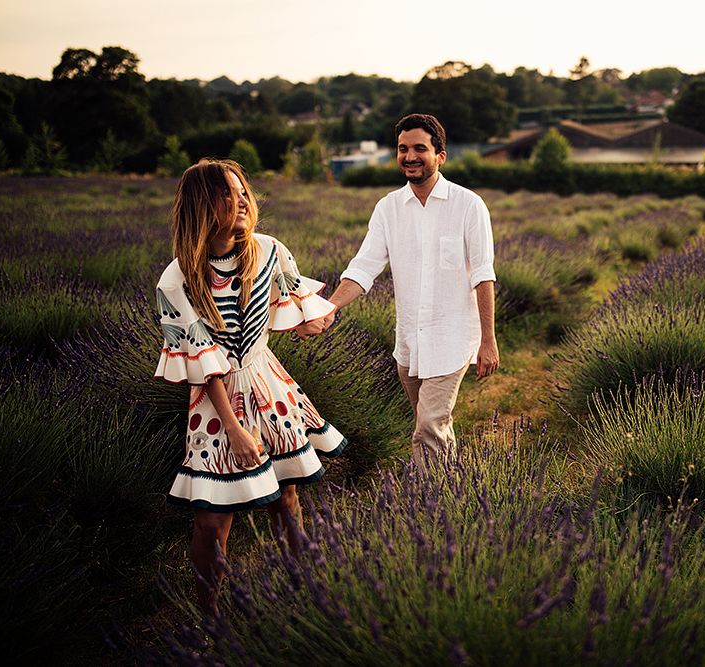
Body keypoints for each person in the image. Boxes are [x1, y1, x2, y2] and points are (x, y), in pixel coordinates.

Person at [154, 158, 346, 614]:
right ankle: (210, 617)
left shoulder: (271, 251)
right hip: (214, 403)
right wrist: (235, 430)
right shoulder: (176, 277)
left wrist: (309, 320)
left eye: (243, 192)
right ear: (202, 204)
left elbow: (288, 310)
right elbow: (205, 365)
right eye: (226, 193)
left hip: (269, 385)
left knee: (285, 495)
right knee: (212, 518)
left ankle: (306, 592)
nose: (240, 201)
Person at [299, 113, 498, 469]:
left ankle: (432, 506)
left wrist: (488, 340)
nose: (410, 156)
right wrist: (328, 308)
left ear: (440, 156)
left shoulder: (469, 205)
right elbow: (363, 268)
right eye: (403, 149)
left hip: (451, 338)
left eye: (420, 148)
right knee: (432, 423)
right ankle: (456, 485)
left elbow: (483, 275)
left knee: (428, 427)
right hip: (408, 342)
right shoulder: (388, 208)